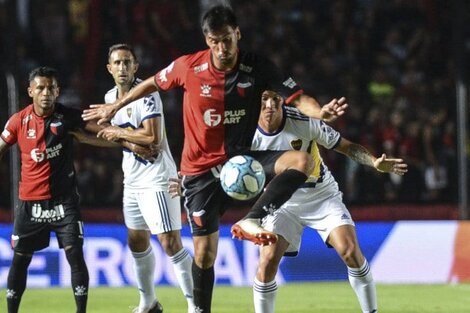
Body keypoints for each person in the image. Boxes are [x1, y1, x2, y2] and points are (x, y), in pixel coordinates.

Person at [82, 5, 347, 312]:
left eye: (227, 39)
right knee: (205, 255)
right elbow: (153, 81)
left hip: (242, 161)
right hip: (200, 172)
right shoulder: (188, 67)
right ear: (207, 40)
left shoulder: (258, 67)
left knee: (302, 162)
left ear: (238, 34)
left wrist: (320, 112)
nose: (222, 48)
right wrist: (114, 107)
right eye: (215, 41)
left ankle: (252, 219)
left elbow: (299, 98)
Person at [250, 91, 408, 313]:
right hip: (280, 201)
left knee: (350, 251)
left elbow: (346, 146)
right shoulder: (244, 132)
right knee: (266, 262)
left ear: (282, 102)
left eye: (275, 99)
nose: (269, 105)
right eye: (263, 99)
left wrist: (373, 162)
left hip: (320, 195)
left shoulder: (303, 123)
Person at [96, 43, 194, 313]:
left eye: (128, 62)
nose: (123, 67)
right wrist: (126, 139)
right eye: (117, 63)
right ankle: (148, 302)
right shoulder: (108, 98)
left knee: (170, 242)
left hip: (158, 180)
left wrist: (119, 132)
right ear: (109, 68)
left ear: (136, 67)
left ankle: (195, 305)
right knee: (136, 240)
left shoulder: (147, 95)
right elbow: (117, 136)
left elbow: (153, 137)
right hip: (133, 181)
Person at [0, 67, 97, 313]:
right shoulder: (18, 121)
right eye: (40, 88)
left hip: (64, 202)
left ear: (58, 91)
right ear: (30, 91)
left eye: (51, 88)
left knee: (75, 254)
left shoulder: (68, 117)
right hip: (30, 204)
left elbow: (96, 132)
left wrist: (126, 141)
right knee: (21, 259)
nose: (46, 93)